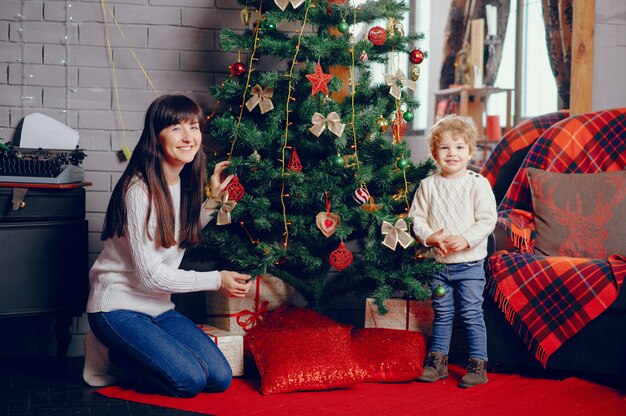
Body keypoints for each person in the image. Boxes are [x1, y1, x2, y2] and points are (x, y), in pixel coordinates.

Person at [82, 94, 252, 397]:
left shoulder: (183, 183)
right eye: (176, 128)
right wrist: (217, 280)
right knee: (189, 381)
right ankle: (111, 353)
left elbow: (177, 235)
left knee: (219, 378)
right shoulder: (138, 190)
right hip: (117, 307)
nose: (189, 137)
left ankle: (136, 349)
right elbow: (151, 276)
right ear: (155, 136)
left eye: (194, 127)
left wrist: (212, 201)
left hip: (158, 307)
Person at [408, 114, 497, 388]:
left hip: (469, 265)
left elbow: (487, 219)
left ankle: (478, 364)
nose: (452, 153)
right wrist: (430, 236)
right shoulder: (428, 185)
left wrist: (466, 239)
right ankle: (438, 363)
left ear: (470, 151)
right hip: (438, 266)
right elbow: (416, 219)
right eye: (445, 147)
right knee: (442, 313)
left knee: (471, 313)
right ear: (435, 153)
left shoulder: (477, 184)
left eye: (459, 147)